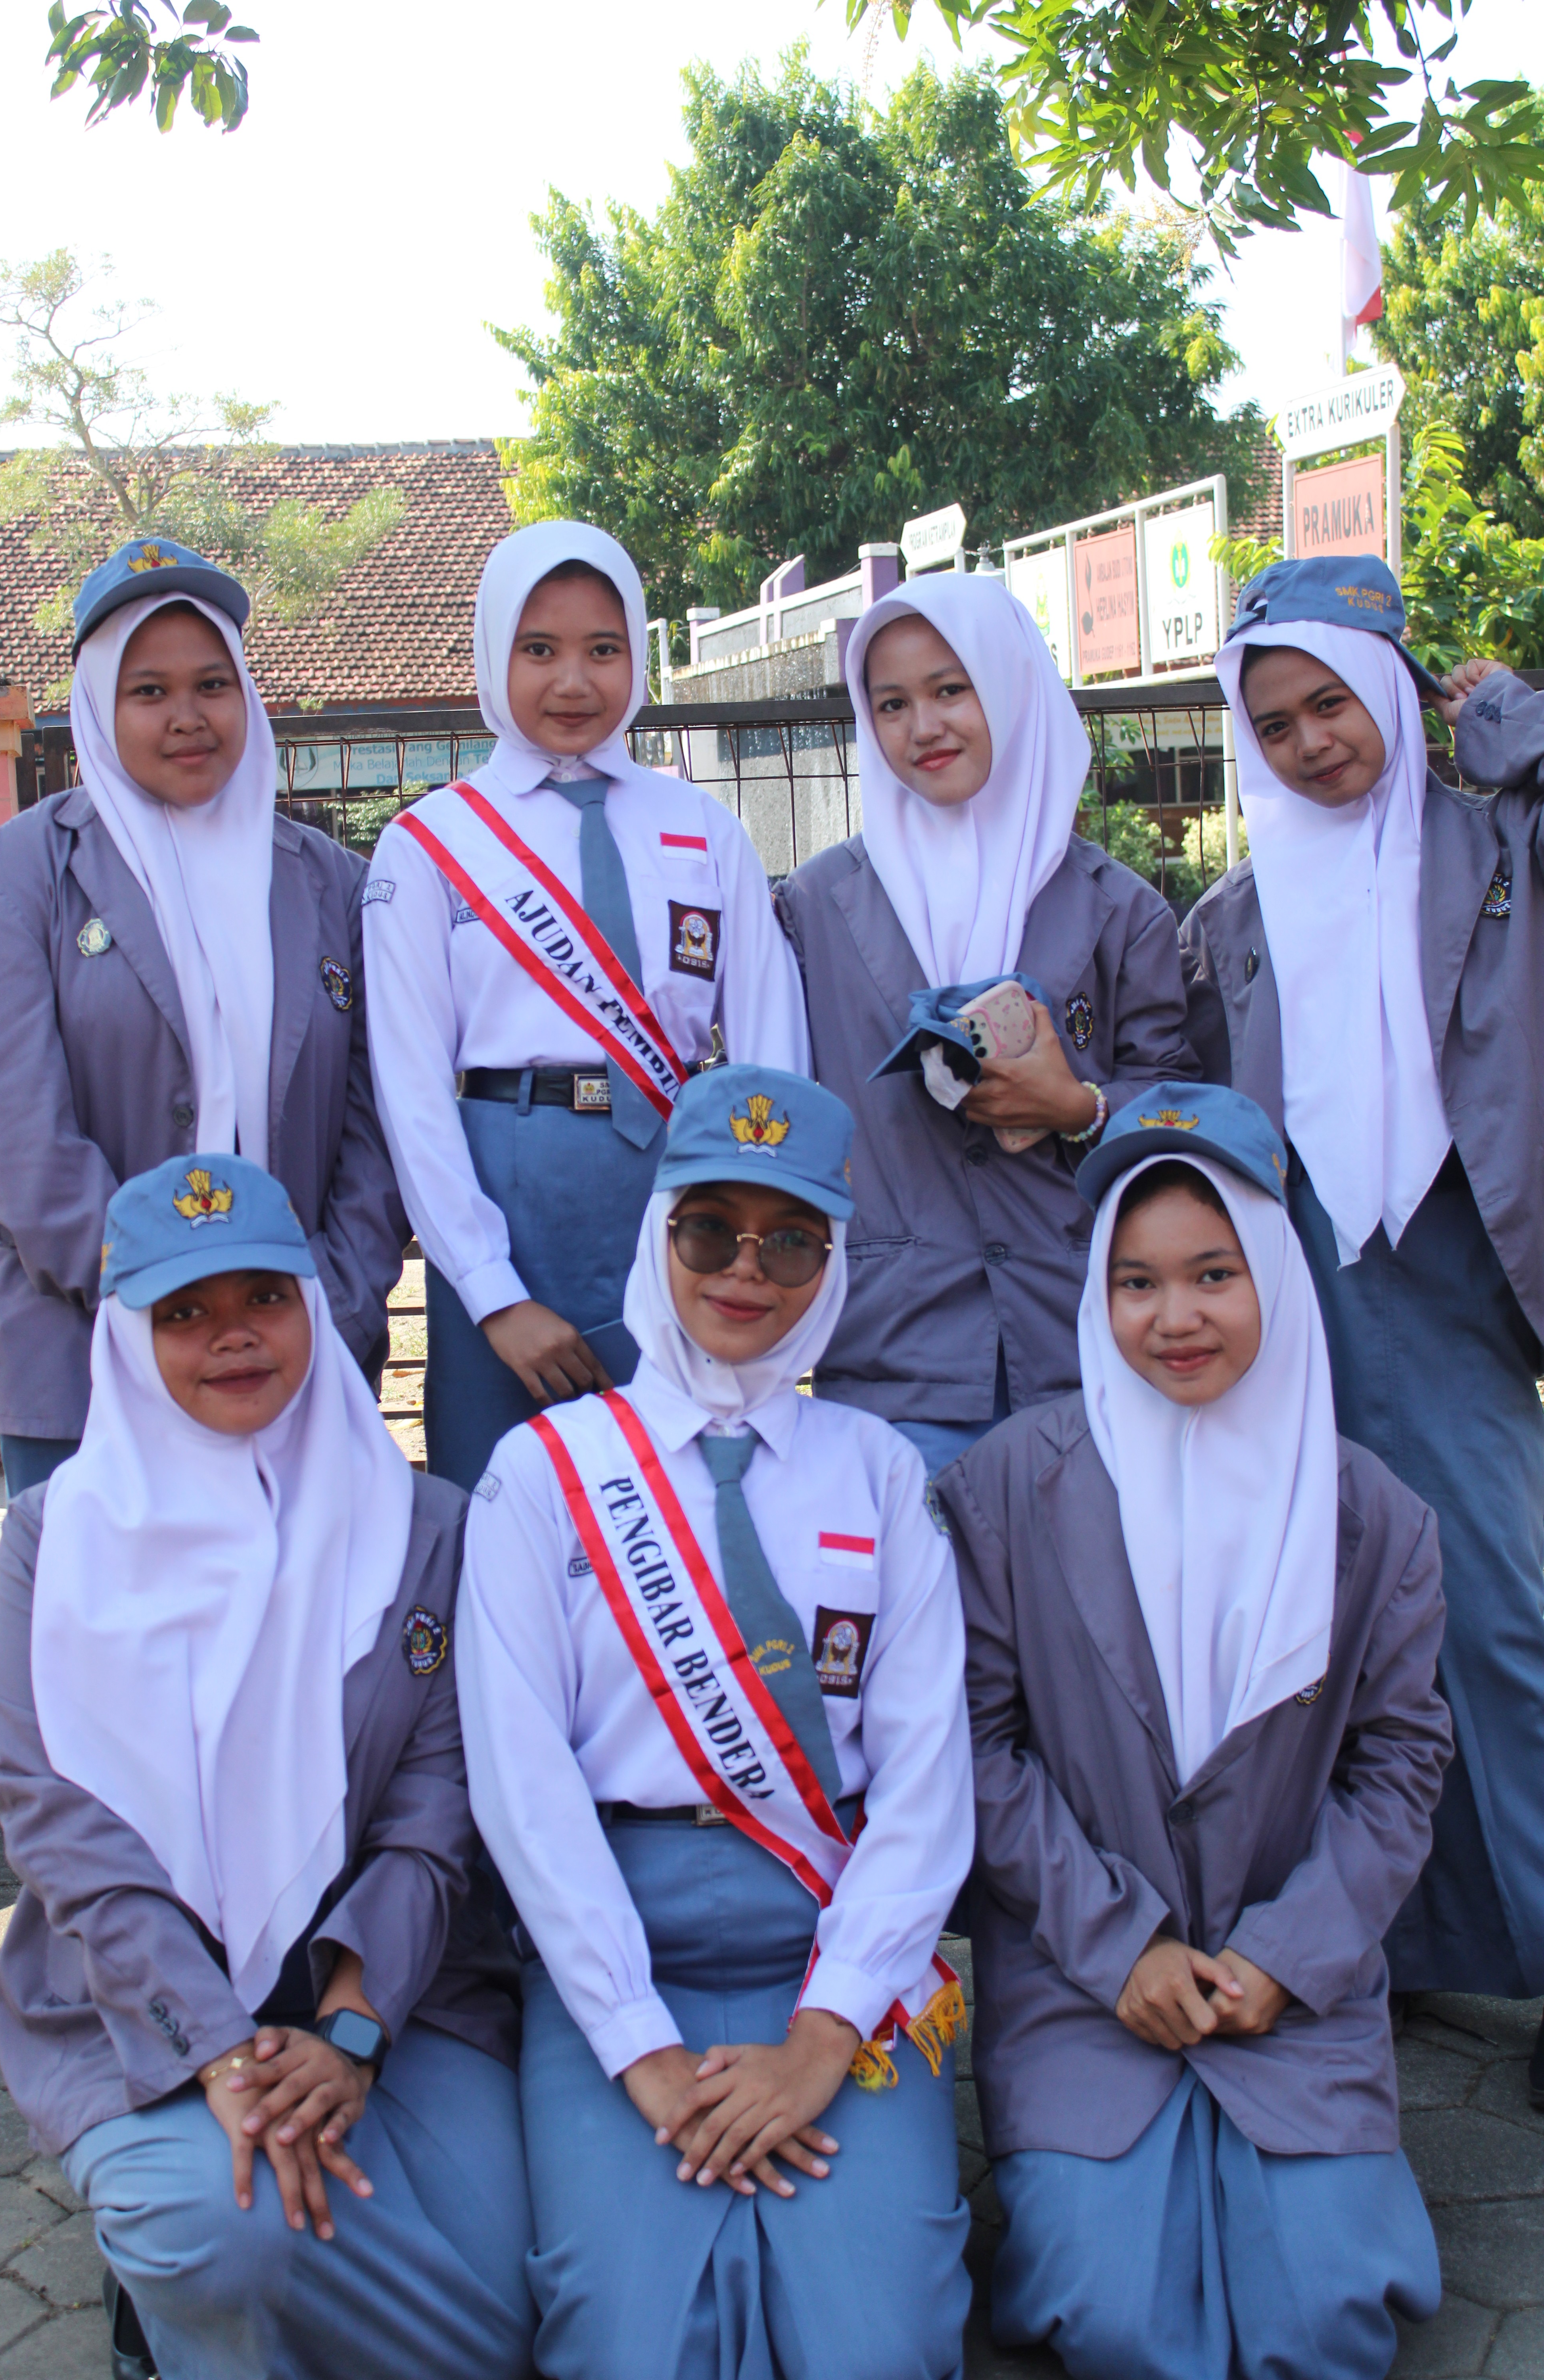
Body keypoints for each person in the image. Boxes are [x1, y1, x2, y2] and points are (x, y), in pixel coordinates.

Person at [0, 1155, 534, 2380]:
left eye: (264, 1298)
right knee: (228, 2240)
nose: (233, 1336)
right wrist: (219, 2049)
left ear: (313, 1307)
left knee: (511, 2308)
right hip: (136, 2004)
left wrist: (350, 2031)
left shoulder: (428, 1526)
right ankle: (198, 2304)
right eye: (185, 1312)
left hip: (394, 1996)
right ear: (129, 1341)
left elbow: (434, 1816)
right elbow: (62, 1829)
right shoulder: (57, 1544)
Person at [457, 1064, 973, 2380]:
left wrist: (823, 2039)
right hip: (614, 1943)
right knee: (630, 2345)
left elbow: (927, 1786)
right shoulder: (546, 1472)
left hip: (831, 1934)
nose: (747, 1270)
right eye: (709, 1231)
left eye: (791, 1240)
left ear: (830, 1265)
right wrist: (640, 2050)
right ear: (659, 1234)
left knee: (881, 2347)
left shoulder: (883, 1472)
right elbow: (522, 1788)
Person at [938, 1084, 1450, 2380]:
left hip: (1291, 1984)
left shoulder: (1374, 1516)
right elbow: (977, 1751)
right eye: (1137, 1282)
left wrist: (1290, 1952)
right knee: (1115, 2319)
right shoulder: (1007, 1488)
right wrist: (1120, 1945)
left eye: (1215, 1274)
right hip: (1083, 1981)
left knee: (1325, 2320)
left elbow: (1400, 1766)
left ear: (1276, 1270)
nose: (1175, 1319)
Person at [1180, 555, 1544, 2026]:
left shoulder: (1501, 848)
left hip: (1456, 1263)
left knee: (1499, 1619)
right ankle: (1405, 1950)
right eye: (1274, 724)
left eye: (1333, 702)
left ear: (1392, 689)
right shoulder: (1237, 917)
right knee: (1337, 1631)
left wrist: (1512, 726)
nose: (1311, 743)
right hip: (1300, 1283)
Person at [361, 520, 808, 1492]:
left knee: (686, 1502)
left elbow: (772, 1050)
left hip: (683, 1207)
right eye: (538, 650)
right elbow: (409, 1091)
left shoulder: (703, 828)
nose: (573, 682)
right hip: (500, 1202)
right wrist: (490, 1292)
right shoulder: (430, 843)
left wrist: (756, 1235)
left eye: (603, 650)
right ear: (493, 653)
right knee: (501, 1507)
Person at [0, 537, 406, 1501]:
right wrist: (170, 1304)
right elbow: (17, 1142)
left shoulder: (335, 886)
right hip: (86, 1363)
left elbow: (377, 1131)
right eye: (148, 692)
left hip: (298, 1360)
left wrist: (321, 1307)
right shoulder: (17, 879)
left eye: (212, 684)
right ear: (97, 704)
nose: (187, 716)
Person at [776, 571, 1198, 1474]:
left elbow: (1185, 1112)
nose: (922, 727)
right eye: (891, 704)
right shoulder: (814, 907)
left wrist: (1081, 1107)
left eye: (950, 690)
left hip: (1083, 1343)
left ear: (1010, 687)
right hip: (896, 1354)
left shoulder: (1121, 910)